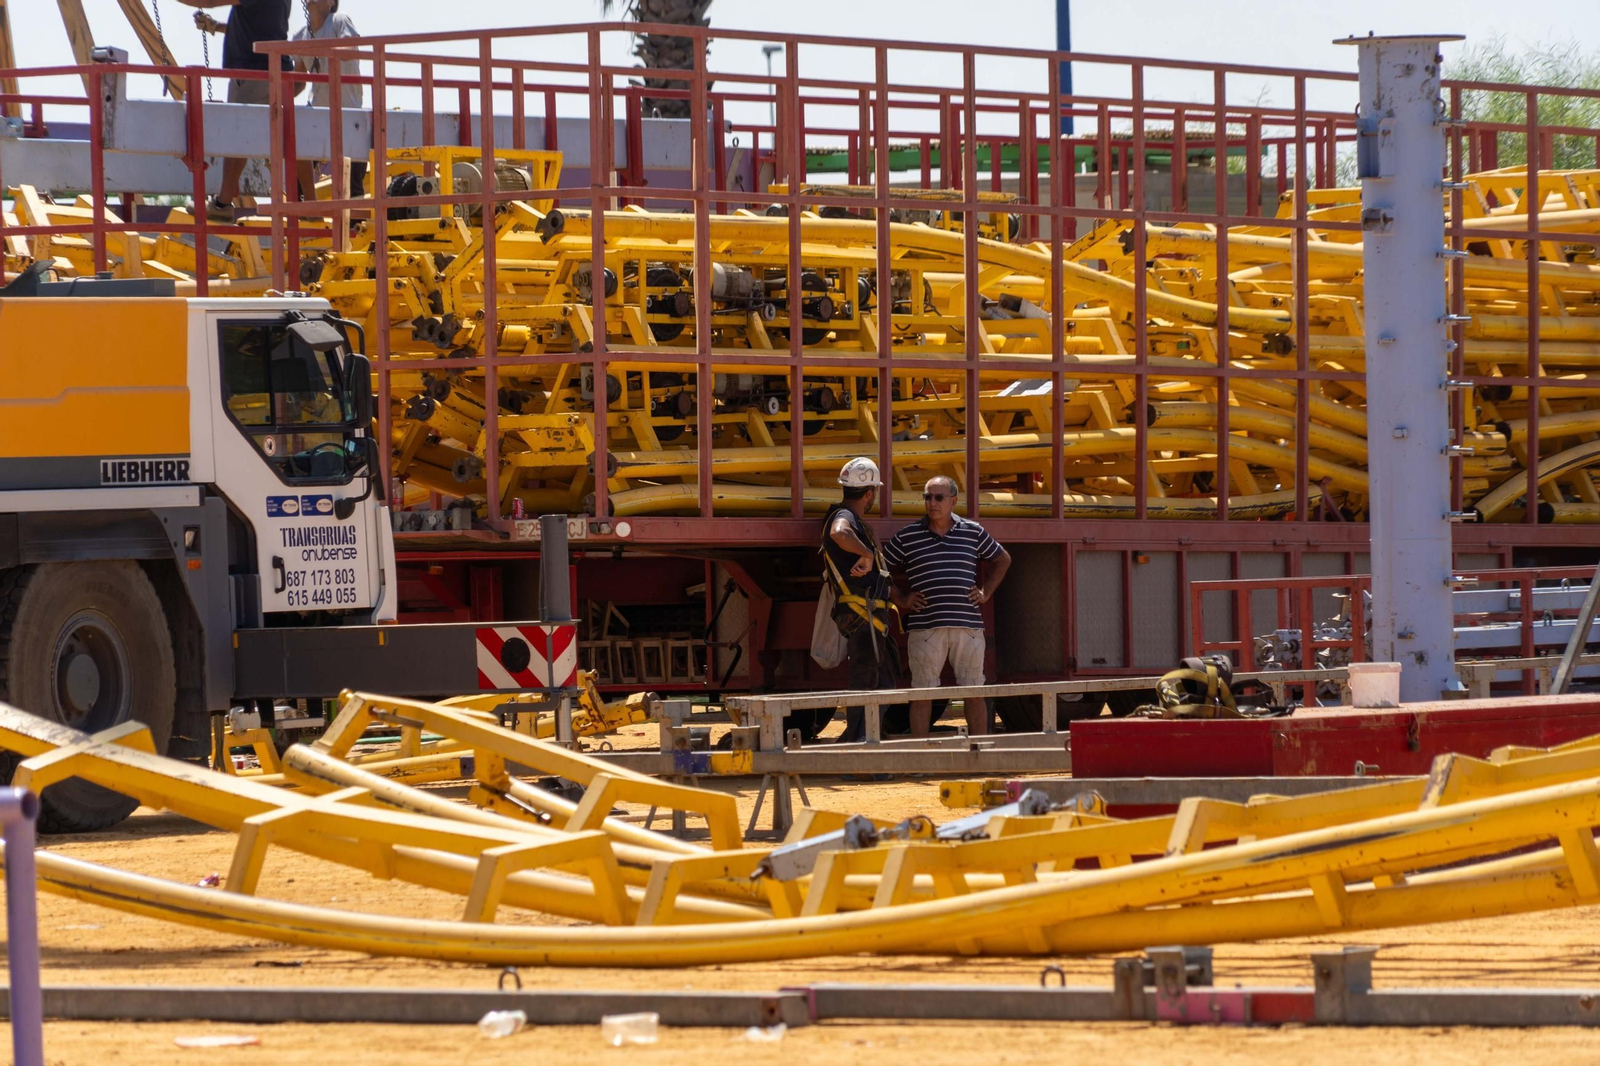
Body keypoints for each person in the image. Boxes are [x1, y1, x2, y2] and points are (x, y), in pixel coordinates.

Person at [882, 475, 1011, 737]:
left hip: (968, 627)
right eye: (927, 497)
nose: (932, 503)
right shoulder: (908, 536)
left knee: (973, 692)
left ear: (953, 501)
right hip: (926, 628)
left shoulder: (972, 531)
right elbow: (879, 569)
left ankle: (979, 752)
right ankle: (921, 756)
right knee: (922, 694)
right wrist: (901, 598)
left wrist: (985, 592)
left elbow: (1002, 559)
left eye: (938, 497)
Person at [177, 0, 294, 219]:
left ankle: (222, 204)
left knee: (238, 138)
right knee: (290, 139)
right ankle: (305, 200)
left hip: (253, 73)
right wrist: (215, 26)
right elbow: (255, 29)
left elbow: (209, 2)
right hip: (274, 70)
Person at [820, 457, 905, 743]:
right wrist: (866, 554)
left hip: (869, 615)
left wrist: (900, 598)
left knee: (883, 680)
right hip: (862, 615)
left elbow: (880, 573)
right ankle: (858, 744)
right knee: (868, 683)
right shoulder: (844, 518)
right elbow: (838, 532)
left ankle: (862, 739)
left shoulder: (855, 520)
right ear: (869, 493)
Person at [292, 0, 368, 202]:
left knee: (353, 185)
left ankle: (356, 227)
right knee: (298, 166)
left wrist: (320, 48)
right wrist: (274, 96)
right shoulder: (301, 36)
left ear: (330, 3)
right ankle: (307, 212)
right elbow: (298, 82)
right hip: (319, 112)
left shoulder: (338, 21)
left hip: (348, 113)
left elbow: (351, 48)